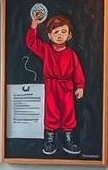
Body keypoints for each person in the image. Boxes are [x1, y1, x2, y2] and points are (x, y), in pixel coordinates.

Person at [26, 9, 85, 156]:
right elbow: (31, 42)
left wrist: (80, 86)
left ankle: (68, 140)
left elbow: (77, 70)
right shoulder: (46, 50)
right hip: (51, 86)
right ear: (49, 35)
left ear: (69, 34)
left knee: (68, 112)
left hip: (67, 87)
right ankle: (50, 140)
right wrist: (34, 25)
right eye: (56, 32)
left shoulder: (71, 54)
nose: (60, 35)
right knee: (51, 111)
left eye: (63, 31)